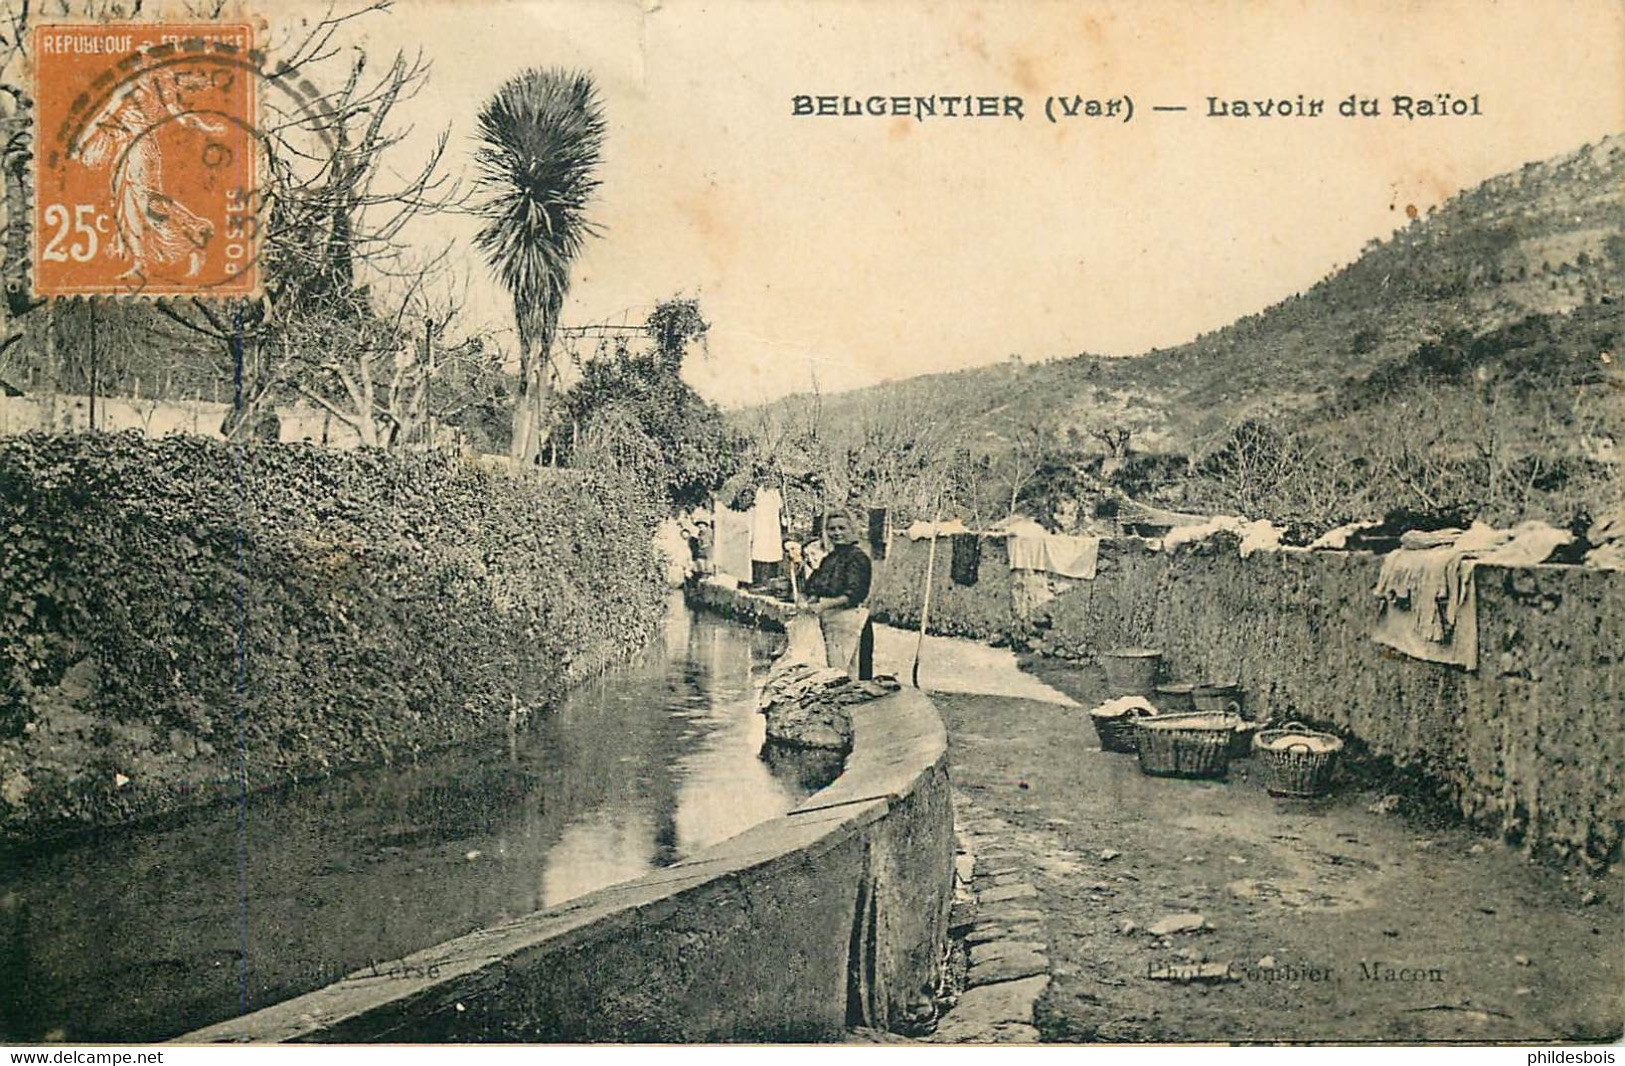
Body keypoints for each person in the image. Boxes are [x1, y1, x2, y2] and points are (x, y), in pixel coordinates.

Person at [797, 510, 875, 679]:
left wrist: (823, 605)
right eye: (832, 529)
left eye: (842, 528)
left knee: (854, 676)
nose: (836, 533)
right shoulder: (830, 558)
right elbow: (813, 586)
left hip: (852, 622)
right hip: (831, 623)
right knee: (832, 673)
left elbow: (855, 595)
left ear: (852, 530)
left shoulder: (858, 558)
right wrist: (807, 600)